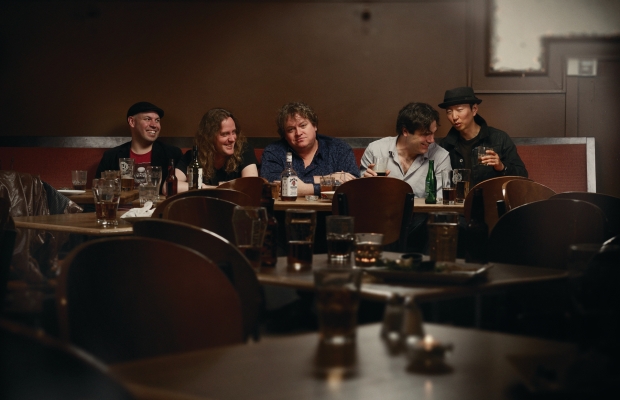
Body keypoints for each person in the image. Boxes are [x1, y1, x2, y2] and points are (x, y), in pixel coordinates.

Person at [260, 102, 359, 196]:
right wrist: (326, 179)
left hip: (330, 208)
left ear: (314, 126)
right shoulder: (273, 151)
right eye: (291, 129)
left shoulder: (339, 149)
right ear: (285, 135)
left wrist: (307, 189)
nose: (298, 133)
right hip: (286, 208)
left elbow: (353, 185)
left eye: (303, 125)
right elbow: (271, 184)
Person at [438, 87, 527, 187]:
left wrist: (501, 166)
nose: (454, 117)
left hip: (492, 196)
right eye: (449, 111)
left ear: (474, 109)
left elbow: (523, 176)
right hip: (460, 197)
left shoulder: (499, 138)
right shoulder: (445, 145)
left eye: (459, 110)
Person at [360, 102, 451, 198]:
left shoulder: (441, 157)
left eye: (433, 133)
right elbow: (360, 197)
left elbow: (441, 201)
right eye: (425, 134)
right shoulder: (375, 150)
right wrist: (366, 185)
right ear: (405, 131)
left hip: (421, 209)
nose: (432, 140)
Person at [95, 102, 182, 191]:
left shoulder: (172, 154)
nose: (154, 125)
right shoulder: (111, 156)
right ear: (132, 122)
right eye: (147, 119)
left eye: (157, 120)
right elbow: (99, 191)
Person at [174, 108, 258, 192]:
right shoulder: (194, 156)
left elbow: (252, 186)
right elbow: (171, 185)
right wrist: (211, 188)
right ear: (209, 137)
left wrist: (199, 189)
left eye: (234, 132)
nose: (232, 139)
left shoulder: (244, 150)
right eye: (225, 134)